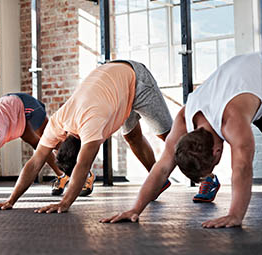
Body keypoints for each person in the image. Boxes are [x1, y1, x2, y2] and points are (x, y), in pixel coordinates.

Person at [0, 60, 172, 213]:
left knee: (169, 136)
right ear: (62, 140)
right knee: (132, 136)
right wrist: (10, 201)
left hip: (136, 78)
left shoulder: (92, 124)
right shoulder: (58, 123)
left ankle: (203, 177)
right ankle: (159, 180)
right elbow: (35, 162)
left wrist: (64, 203)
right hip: (113, 86)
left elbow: (83, 165)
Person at [102, 52, 262, 228]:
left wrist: (235, 215)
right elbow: (161, 169)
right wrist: (135, 209)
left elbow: (241, 167)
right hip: (246, 79)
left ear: (217, 153)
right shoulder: (185, 118)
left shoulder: (233, 120)